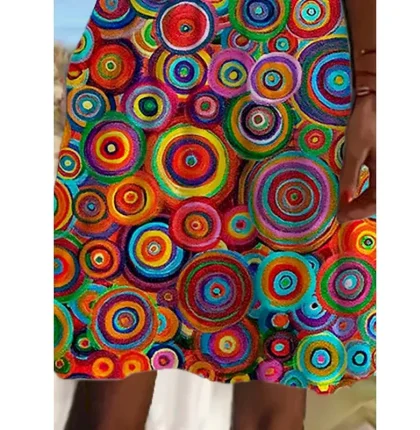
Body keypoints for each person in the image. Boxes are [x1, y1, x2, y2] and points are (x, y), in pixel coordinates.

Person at [54, 0, 376, 428]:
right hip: (145, 58)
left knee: (279, 353)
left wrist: (373, 87)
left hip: (295, 70)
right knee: (114, 348)